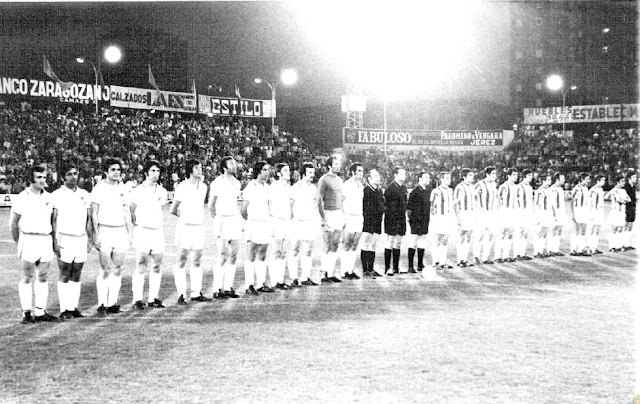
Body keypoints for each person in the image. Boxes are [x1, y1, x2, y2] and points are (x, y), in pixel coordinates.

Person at [11, 165, 58, 323]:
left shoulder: (49, 197)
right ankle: (26, 312)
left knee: (43, 276)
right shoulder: (22, 197)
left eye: (44, 177)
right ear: (31, 179)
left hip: (45, 239)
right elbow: (13, 223)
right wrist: (19, 242)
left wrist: (53, 241)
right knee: (27, 276)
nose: (42, 180)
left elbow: (52, 221)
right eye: (39, 177)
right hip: (29, 238)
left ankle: (40, 311)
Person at [91, 157, 132, 315]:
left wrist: (129, 234)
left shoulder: (123, 189)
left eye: (118, 170)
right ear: (106, 171)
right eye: (113, 170)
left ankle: (112, 303)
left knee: (117, 268)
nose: (116, 173)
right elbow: (94, 213)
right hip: (105, 231)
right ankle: (102, 303)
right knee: (105, 268)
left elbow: (126, 212)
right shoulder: (98, 189)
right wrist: (96, 234)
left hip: (120, 231)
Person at [51, 163, 92, 320]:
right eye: (69, 174)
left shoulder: (84, 194)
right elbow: (53, 220)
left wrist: (89, 238)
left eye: (75, 173)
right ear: (62, 177)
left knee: (77, 271)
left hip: (80, 238)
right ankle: (64, 309)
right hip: (65, 237)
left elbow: (88, 218)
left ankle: (73, 307)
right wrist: (54, 241)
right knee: (65, 271)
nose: (73, 177)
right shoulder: (56, 195)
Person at [170, 159, 211, 304]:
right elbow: (173, 209)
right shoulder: (182, 187)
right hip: (185, 227)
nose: (200, 170)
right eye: (196, 168)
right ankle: (181, 293)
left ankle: (195, 292)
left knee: (197, 260)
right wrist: (185, 217)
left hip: (198, 227)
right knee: (181, 259)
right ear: (190, 170)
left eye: (200, 167)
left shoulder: (204, 187)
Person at [129, 160, 167, 310]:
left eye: (157, 171)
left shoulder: (162, 191)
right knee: (141, 265)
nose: (155, 174)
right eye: (152, 171)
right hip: (143, 231)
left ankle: (153, 298)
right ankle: (137, 299)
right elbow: (131, 210)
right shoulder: (138, 190)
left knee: (157, 265)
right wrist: (137, 224)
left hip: (157, 231)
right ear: (146, 173)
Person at [209, 156, 243, 298]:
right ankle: (217, 289)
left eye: (235, 164)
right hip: (222, 220)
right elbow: (211, 206)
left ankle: (228, 287)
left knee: (233, 255)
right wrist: (217, 220)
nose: (234, 166)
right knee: (222, 255)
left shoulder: (237, 183)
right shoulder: (217, 183)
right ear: (224, 167)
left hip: (234, 220)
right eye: (231, 164)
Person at [242, 161, 274, 295]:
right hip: (254, 223)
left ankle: (261, 284)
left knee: (262, 254)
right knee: (251, 254)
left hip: (264, 223)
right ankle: (249, 284)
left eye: (268, 170)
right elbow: (243, 210)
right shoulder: (251, 187)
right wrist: (251, 220)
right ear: (259, 171)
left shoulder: (267, 187)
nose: (268, 172)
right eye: (265, 170)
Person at [288, 162, 319, 286]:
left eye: (313, 172)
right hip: (297, 222)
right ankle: (293, 278)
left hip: (309, 222)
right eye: (310, 173)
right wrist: (291, 221)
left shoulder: (313, 188)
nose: (312, 175)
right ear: (303, 174)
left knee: (308, 250)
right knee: (295, 249)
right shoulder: (295, 187)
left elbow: (314, 205)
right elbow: (290, 205)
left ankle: (306, 278)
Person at [317, 155, 344, 283]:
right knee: (327, 244)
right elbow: (319, 200)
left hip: (338, 214)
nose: (338, 166)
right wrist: (323, 218)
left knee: (335, 244)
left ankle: (331, 272)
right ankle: (323, 272)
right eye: (335, 164)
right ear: (329, 166)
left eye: (339, 164)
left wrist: (343, 215)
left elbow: (341, 200)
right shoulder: (324, 179)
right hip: (328, 213)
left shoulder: (339, 180)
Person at [268, 162, 293, 289]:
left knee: (284, 252)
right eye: (285, 170)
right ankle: (274, 281)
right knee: (276, 251)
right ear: (279, 173)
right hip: (276, 221)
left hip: (286, 221)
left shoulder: (289, 187)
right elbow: (269, 206)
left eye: (289, 170)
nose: (289, 172)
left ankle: (280, 280)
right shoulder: (273, 187)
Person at [341, 162, 364, 279]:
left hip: (358, 217)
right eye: (359, 171)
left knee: (355, 244)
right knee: (347, 244)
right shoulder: (346, 185)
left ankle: (350, 270)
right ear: (353, 172)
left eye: (362, 171)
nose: (361, 173)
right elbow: (341, 201)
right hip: (349, 217)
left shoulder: (361, 186)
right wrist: (344, 217)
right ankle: (344, 271)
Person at [426, 171, 452, 279]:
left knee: (445, 240)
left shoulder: (451, 190)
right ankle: (435, 262)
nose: (448, 180)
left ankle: (442, 262)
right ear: (441, 180)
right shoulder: (436, 191)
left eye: (449, 178)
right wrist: (433, 218)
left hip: (447, 218)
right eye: (446, 178)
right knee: (436, 240)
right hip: (438, 218)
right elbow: (431, 206)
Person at [384, 166, 408, 275]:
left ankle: (395, 268)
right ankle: (387, 268)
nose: (403, 176)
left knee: (398, 243)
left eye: (404, 174)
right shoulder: (390, 188)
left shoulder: (404, 188)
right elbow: (387, 206)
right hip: (392, 219)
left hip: (401, 219)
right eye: (401, 174)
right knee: (390, 242)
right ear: (395, 175)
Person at [361, 168, 384, 278]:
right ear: (369, 179)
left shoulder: (379, 191)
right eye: (375, 176)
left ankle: (371, 268)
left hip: (378, 221)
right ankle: (365, 269)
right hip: (368, 221)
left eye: (378, 175)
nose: (378, 177)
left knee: (373, 245)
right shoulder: (366, 190)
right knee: (366, 243)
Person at [407, 171, 432, 272]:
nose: (428, 180)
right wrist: (412, 221)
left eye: (428, 178)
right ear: (420, 179)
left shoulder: (427, 191)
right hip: (416, 220)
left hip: (425, 220)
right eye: (425, 177)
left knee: (422, 241)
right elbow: (409, 209)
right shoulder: (414, 192)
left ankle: (420, 264)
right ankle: (410, 266)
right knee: (414, 241)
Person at [473, 166, 498, 264]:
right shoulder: (480, 184)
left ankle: (485, 257)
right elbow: (473, 196)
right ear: (487, 174)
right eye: (493, 173)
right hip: (481, 214)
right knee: (480, 235)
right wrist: (478, 207)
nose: (494, 175)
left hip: (491, 214)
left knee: (490, 235)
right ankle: (476, 256)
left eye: (495, 173)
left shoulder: (494, 184)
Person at [495, 168, 519, 263]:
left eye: (516, 175)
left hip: (512, 212)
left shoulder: (516, 187)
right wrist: (497, 213)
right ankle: (497, 256)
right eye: (513, 175)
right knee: (501, 234)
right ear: (508, 176)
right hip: (504, 212)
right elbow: (498, 200)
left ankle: (506, 256)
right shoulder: (503, 187)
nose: (515, 177)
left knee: (510, 234)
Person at [453, 169, 475, 267]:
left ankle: (464, 259)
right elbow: (455, 204)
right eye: (470, 175)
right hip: (462, 213)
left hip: (471, 214)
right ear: (464, 176)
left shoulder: (472, 187)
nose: (472, 177)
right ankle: (459, 260)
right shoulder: (459, 187)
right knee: (461, 236)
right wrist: (457, 217)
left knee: (468, 237)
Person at [569, 173, 591, 256]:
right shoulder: (576, 188)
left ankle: (580, 249)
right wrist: (573, 214)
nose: (588, 180)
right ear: (582, 179)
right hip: (578, 211)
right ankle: (573, 249)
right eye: (587, 179)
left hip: (585, 211)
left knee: (583, 230)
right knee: (576, 230)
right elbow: (572, 202)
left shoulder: (586, 188)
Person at [514, 169, 534, 260]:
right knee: (519, 232)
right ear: (524, 176)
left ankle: (522, 253)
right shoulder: (519, 187)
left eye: (531, 175)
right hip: (520, 212)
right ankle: (517, 254)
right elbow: (515, 200)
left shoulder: (529, 187)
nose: (531, 177)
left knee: (526, 232)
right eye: (529, 175)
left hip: (528, 213)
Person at [608, 175, 631, 252]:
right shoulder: (613, 190)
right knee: (614, 229)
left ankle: (619, 245)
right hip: (615, 211)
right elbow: (618, 200)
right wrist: (624, 199)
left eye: (624, 181)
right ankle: (612, 246)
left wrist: (623, 199)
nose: (623, 183)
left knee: (621, 228)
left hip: (622, 212)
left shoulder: (623, 191)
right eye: (622, 181)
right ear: (617, 182)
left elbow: (629, 199)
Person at [533, 174, 553, 258]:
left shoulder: (549, 190)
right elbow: (536, 204)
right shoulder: (539, 191)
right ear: (543, 181)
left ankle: (541, 251)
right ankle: (536, 252)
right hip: (541, 213)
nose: (550, 181)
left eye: (550, 179)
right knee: (539, 233)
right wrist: (537, 216)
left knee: (545, 233)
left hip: (548, 213)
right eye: (548, 179)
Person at [547, 173, 566, 256]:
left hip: (561, 212)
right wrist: (554, 214)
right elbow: (551, 203)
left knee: (559, 230)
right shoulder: (552, 189)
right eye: (562, 179)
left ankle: (556, 249)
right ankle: (550, 249)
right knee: (553, 230)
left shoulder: (561, 189)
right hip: (554, 212)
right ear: (557, 179)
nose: (564, 180)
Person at [587, 175, 606, 254]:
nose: (604, 182)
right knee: (592, 229)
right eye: (602, 180)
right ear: (598, 181)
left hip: (600, 212)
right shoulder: (592, 190)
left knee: (597, 229)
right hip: (593, 212)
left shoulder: (601, 189)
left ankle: (594, 247)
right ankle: (590, 247)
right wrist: (590, 213)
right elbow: (589, 203)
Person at [622, 170, 637, 250]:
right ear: (629, 178)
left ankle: (627, 243)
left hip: (632, 209)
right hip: (627, 208)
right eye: (634, 177)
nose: (636, 178)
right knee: (626, 225)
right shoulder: (626, 186)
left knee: (630, 226)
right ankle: (623, 244)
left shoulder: (633, 186)